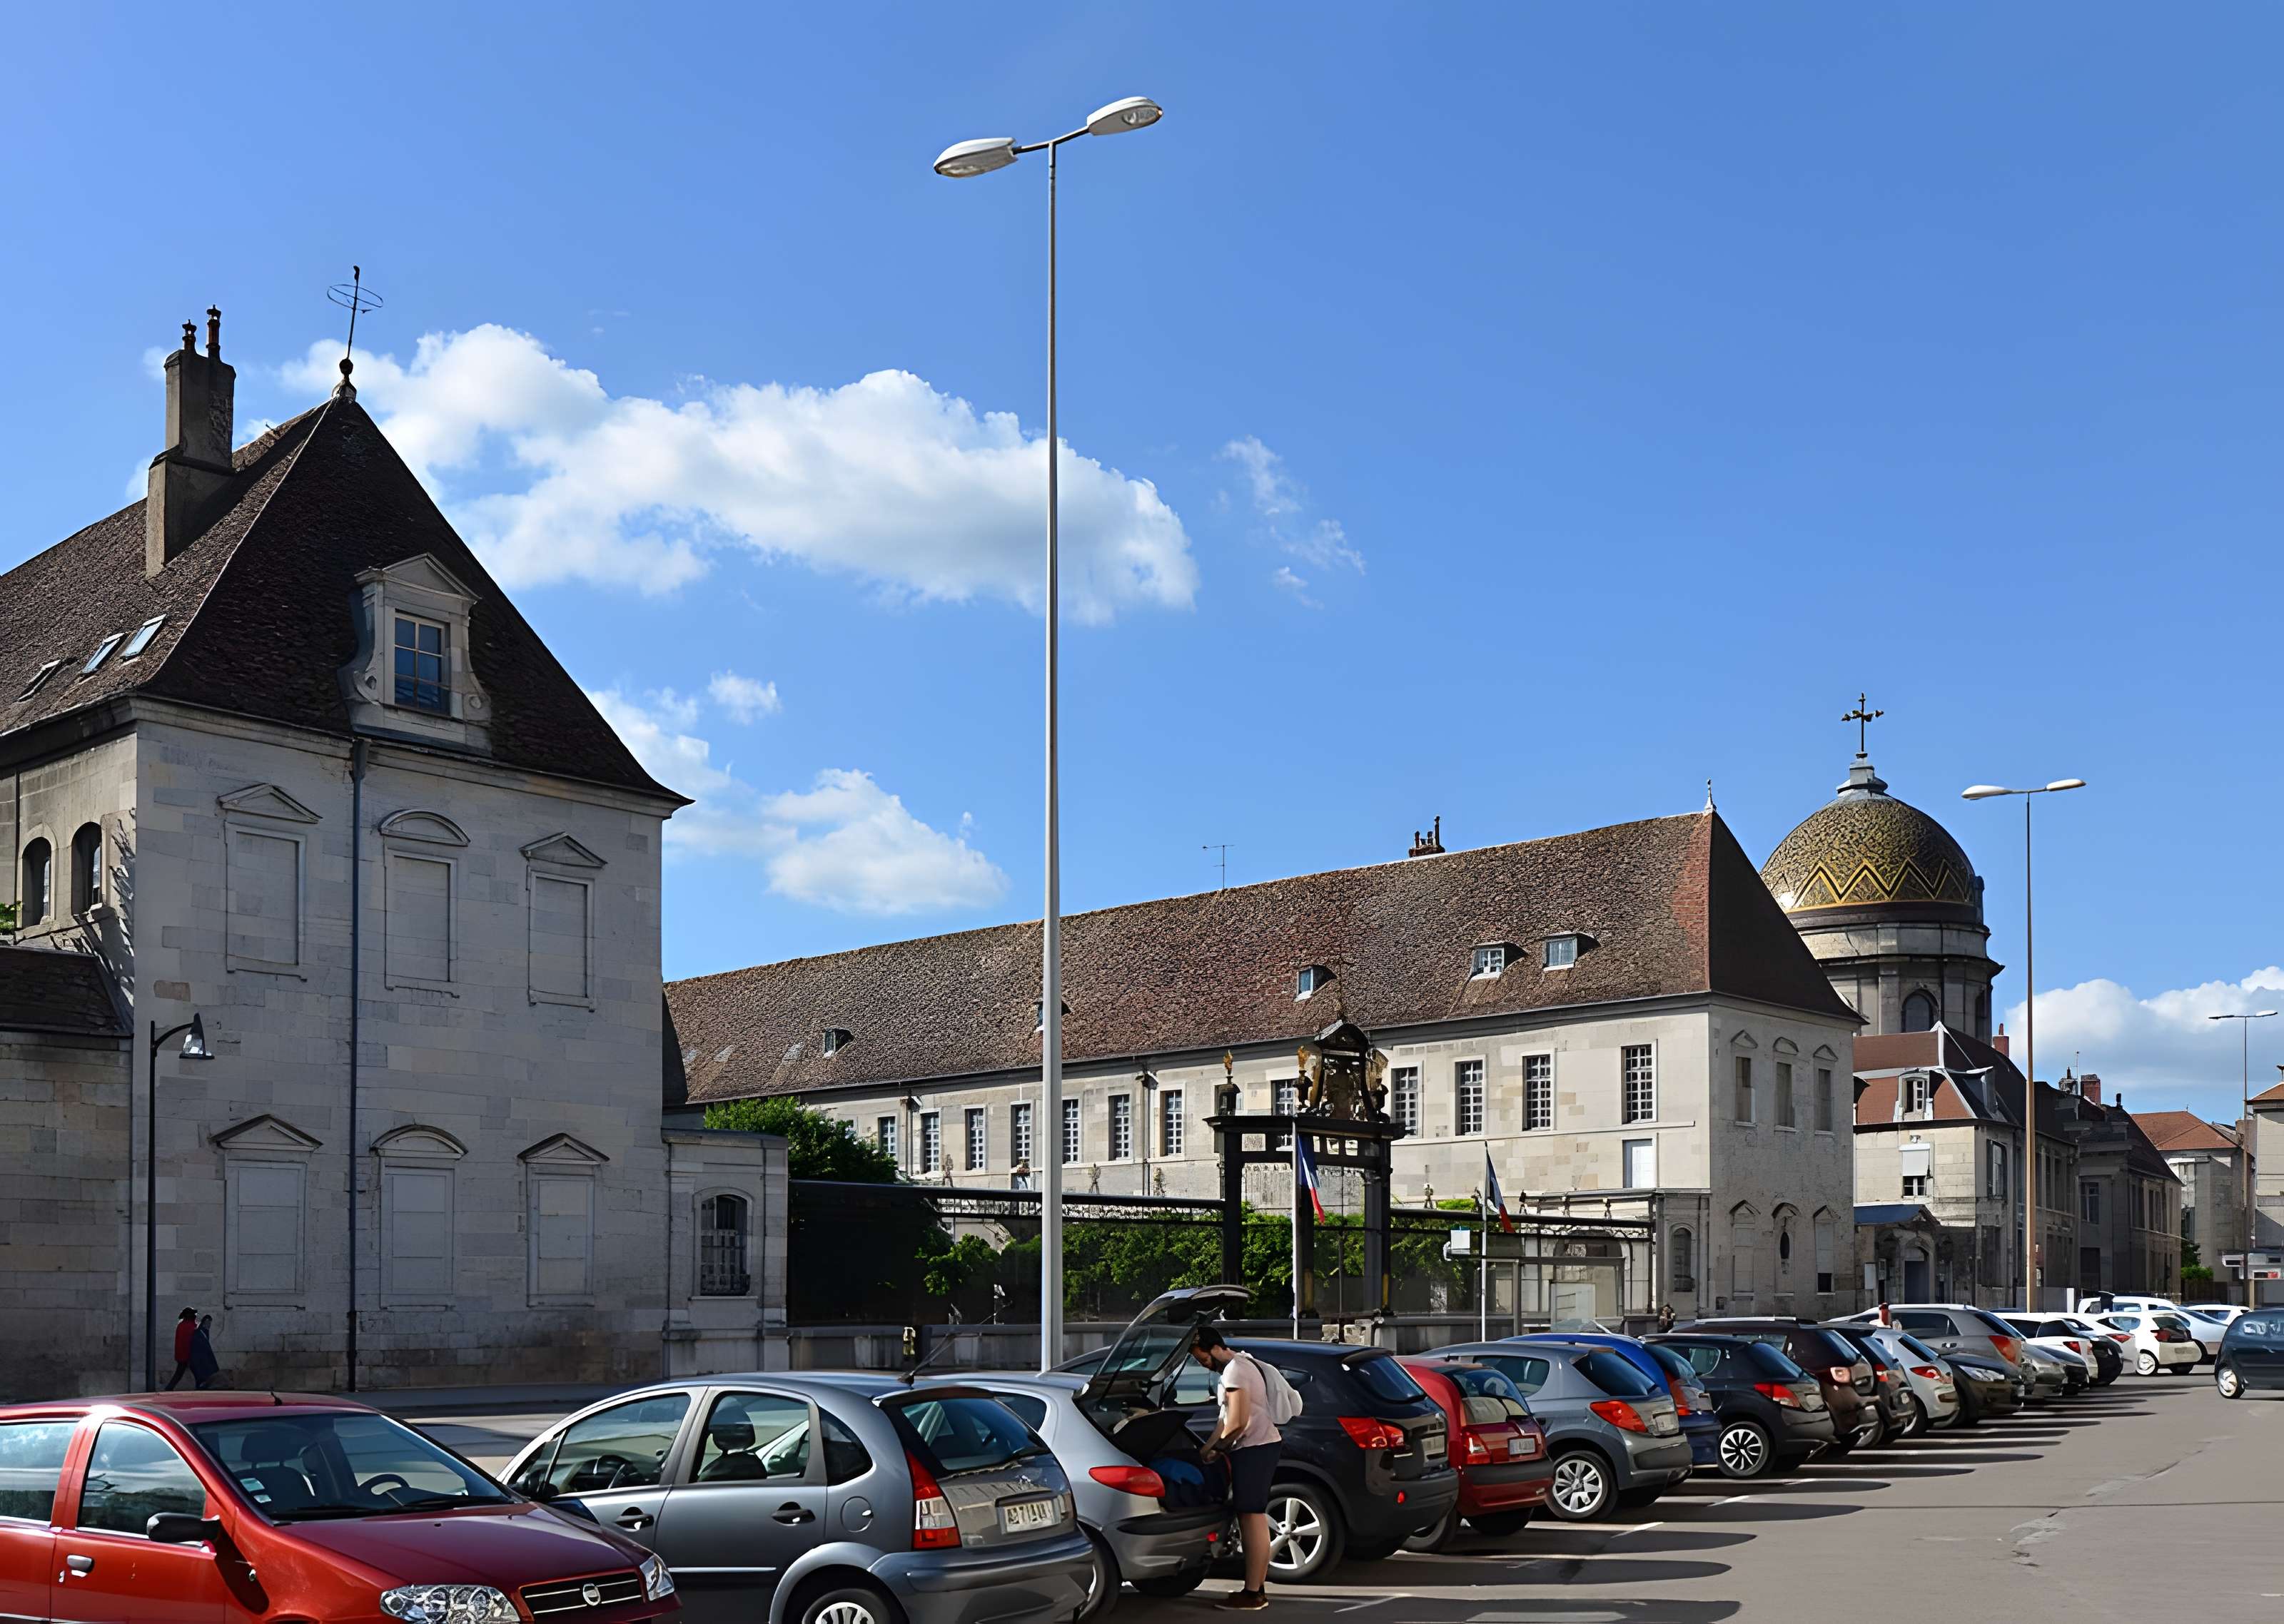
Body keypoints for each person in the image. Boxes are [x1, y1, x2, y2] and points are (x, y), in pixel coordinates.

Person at [1191, 1326, 1281, 1610]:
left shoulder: (1234, 1371)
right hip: (1259, 1447)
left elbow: (1238, 1422)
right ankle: (1255, 1589)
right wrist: (1206, 1450)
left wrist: (1219, 1448)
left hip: (1254, 1449)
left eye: (1201, 1358)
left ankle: (1253, 1594)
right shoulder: (1242, 1364)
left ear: (1213, 1348)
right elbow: (1226, 1418)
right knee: (1250, 1516)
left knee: (1252, 1516)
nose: (1202, 1364)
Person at [165, 1308, 199, 1389]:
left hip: (181, 1355)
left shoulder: (181, 1326)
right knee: (198, 1373)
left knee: (179, 1373)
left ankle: (169, 1387)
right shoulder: (192, 1327)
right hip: (189, 1354)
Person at [189, 1314, 221, 1389]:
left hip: (204, 1357)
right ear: (205, 1322)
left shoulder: (205, 1332)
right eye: (208, 1322)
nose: (209, 1325)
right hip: (199, 1357)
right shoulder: (198, 1332)